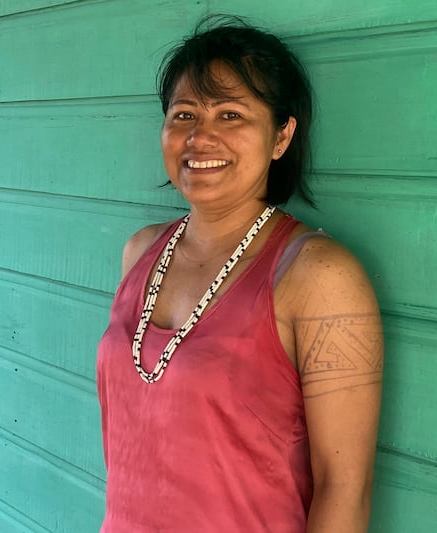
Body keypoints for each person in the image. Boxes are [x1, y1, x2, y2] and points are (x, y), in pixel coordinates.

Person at [97, 16, 383, 532]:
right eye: (184, 114)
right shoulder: (141, 252)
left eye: (231, 114)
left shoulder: (318, 276)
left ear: (281, 136)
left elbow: (345, 486)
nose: (200, 137)